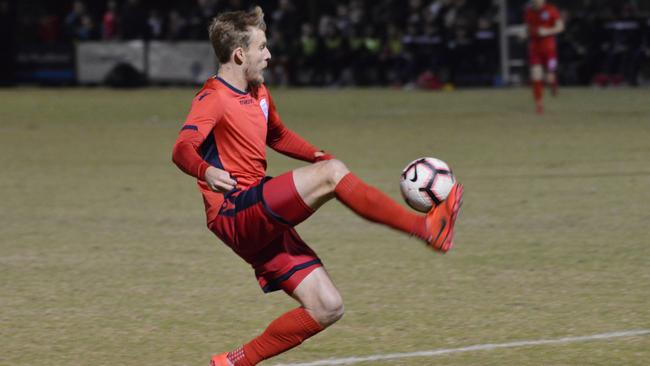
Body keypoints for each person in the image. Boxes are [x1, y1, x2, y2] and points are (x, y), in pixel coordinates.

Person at [171, 6, 463, 366]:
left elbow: (276, 134)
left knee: (327, 306)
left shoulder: (259, 92)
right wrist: (205, 171)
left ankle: (233, 362)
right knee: (332, 175)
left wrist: (315, 154)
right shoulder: (213, 97)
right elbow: (182, 147)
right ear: (239, 54)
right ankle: (427, 228)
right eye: (262, 47)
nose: (269, 55)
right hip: (233, 210)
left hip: (257, 212)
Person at [525, 0, 564, 114]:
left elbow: (560, 27)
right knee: (536, 75)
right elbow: (529, 28)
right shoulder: (529, 11)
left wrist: (547, 31)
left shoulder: (551, 10)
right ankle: (539, 105)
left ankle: (553, 84)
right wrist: (527, 33)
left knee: (549, 77)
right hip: (535, 49)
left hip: (550, 50)